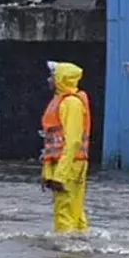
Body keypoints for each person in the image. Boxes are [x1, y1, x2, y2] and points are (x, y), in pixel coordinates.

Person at [40, 60, 91, 233]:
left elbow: (72, 141)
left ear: (61, 79)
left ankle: (65, 253)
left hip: (70, 166)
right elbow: (54, 145)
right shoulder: (64, 102)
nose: (49, 80)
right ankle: (79, 248)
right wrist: (48, 173)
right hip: (68, 165)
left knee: (64, 212)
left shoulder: (71, 103)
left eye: (52, 77)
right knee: (74, 212)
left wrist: (60, 175)